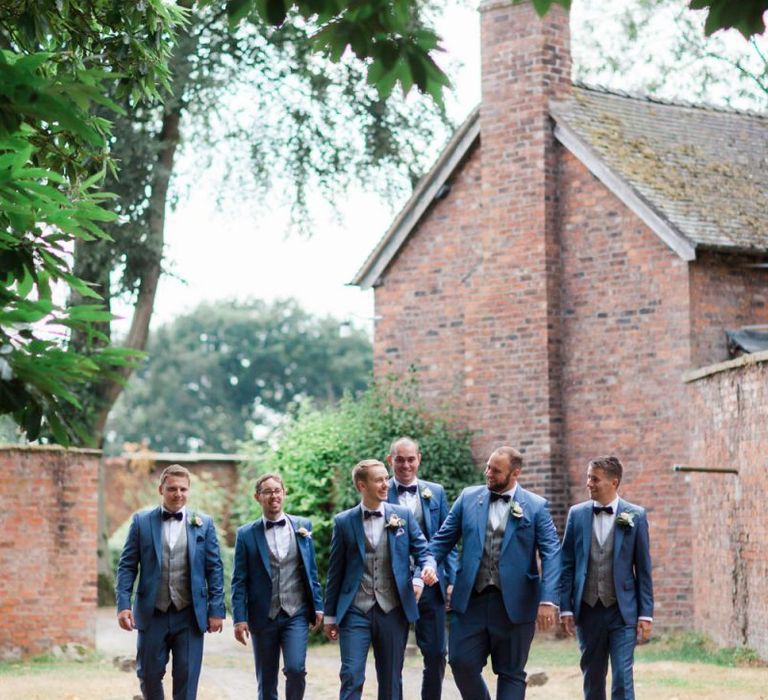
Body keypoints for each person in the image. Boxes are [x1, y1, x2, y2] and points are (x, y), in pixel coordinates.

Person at [429, 445, 561, 700]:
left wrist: (548, 600)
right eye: (488, 466)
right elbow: (441, 541)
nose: (487, 473)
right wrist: (427, 564)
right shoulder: (468, 498)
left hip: (515, 604)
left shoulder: (535, 507)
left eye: (495, 470)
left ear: (515, 474)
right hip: (470, 601)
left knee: (511, 672)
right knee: (460, 661)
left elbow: (552, 554)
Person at [323, 459, 438, 700]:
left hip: (393, 609)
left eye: (386, 478)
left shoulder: (403, 515)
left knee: (391, 679)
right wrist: (330, 617)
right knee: (352, 674)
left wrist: (424, 570)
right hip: (355, 609)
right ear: (362, 486)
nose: (386, 484)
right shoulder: (344, 522)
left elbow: (423, 552)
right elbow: (335, 572)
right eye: (379, 480)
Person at [115, 464, 225, 700]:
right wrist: (123, 604)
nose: (178, 494)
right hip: (152, 612)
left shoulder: (203, 523)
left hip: (190, 615)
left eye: (183, 489)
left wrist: (216, 609)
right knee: (148, 674)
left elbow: (214, 568)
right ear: (161, 489)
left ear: (189, 491)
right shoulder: (141, 522)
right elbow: (127, 566)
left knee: (187, 677)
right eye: (172, 488)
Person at [559, 455, 654, 700]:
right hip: (587, 610)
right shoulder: (576, 514)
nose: (588, 483)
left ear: (614, 482)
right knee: (592, 674)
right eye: (588, 477)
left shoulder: (636, 515)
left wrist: (645, 614)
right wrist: (566, 608)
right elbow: (567, 564)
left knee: (622, 675)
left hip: (622, 611)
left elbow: (643, 569)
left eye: (595, 479)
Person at [231, 473, 323, 700]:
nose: (274, 496)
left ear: (284, 493)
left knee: (295, 669)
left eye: (277, 491)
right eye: (268, 492)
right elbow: (239, 580)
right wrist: (239, 618)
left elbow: (311, 571)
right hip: (263, 616)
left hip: (296, 613)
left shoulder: (303, 527)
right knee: (267, 679)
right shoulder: (246, 534)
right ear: (257, 497)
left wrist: (318, 606)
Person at [385, 436, 456, 700]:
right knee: (393, 658)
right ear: (390, 460)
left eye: (411, 459)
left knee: (437, 654)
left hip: (431, 583)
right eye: (400, 460)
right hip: (394, 586)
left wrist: (451, 579)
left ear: (419, 459)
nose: (405, 465)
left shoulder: (434, 492)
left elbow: (447, 537)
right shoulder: (381, 491)